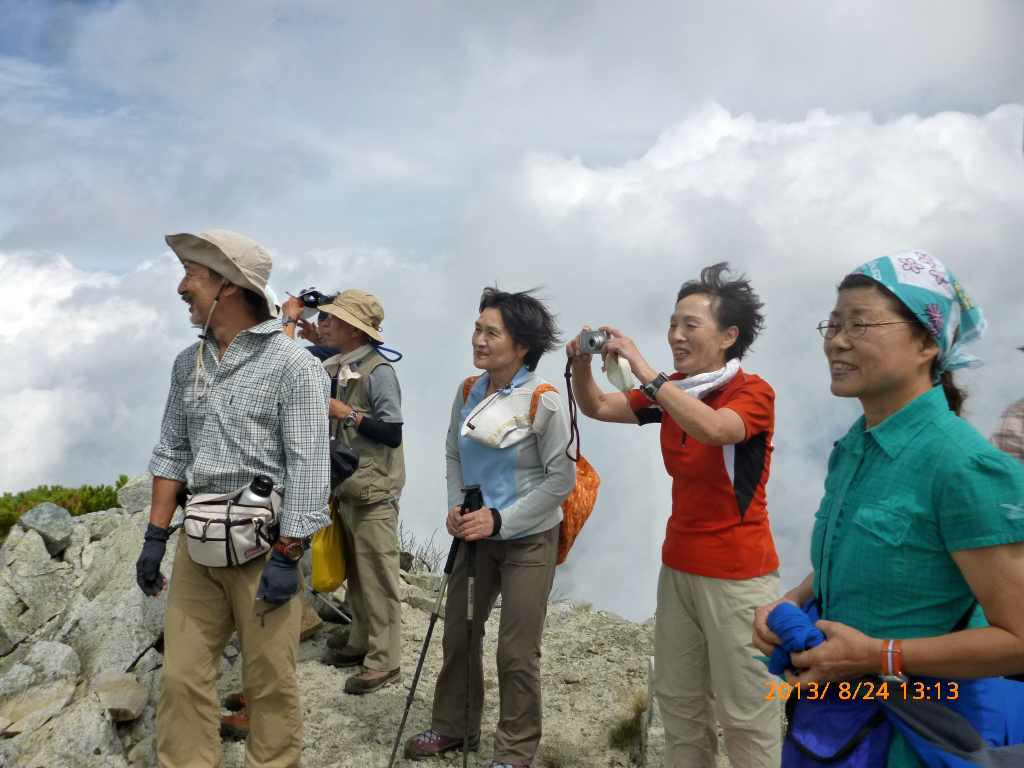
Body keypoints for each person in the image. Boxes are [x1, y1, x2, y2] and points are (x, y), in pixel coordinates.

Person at [752, 251, 1024, 767]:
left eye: (860, 324)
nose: (836, 340)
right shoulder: (856, 446)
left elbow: (1018, 638)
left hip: (922, 732)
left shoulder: (964, 467)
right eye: (832, 324)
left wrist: (877, 654)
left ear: (927, 342)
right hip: (837, 719)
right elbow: (857, 545)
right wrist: (786, 601)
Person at [566, 263, 781, 768]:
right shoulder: (676, 390)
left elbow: (716, 430)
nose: (676, 335)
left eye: (691, 325)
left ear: (730, 336)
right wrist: (580, 363)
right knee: (681, 707)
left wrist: (647, 372)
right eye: (672, 324)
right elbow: (598, 406)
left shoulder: (751, 392)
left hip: (739, 574)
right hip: (679, 565)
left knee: (748, 715)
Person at [137, 230, 331, 767]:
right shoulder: (187, 364)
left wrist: (289, 556)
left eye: (191, 277)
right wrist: (155, 537)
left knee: (268, 682)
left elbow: (310, 471)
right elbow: (172, 452)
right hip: (197, 543)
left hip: (265, 545)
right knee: (180, 677)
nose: (181, 288)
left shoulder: (294, 366)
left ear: (226, 286)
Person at [405, 287, 575, 768]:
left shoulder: (544, 402)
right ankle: (456, 728)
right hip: (475, 536)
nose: (478, 339)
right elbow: (454, 452)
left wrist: (501, 519)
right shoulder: (467, 391)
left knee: (517, 651)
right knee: (460, 632)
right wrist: (458, 507)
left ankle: (514, 752)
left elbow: (561, 479)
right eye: (478, 328)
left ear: (521, 346)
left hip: (528, 541)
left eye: (491, 332)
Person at [294, 289, 407, 695]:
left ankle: (384, 660)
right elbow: (319, 353)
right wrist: (308, 336)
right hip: (352, 489)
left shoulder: (378, 372)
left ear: (354, 330)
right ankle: (361, 641)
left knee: (378, 575)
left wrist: (348, 414)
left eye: (331, 319)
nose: (324, 324)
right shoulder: (344, 362)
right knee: (359, 575)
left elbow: (392, 433)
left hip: (375, 491)